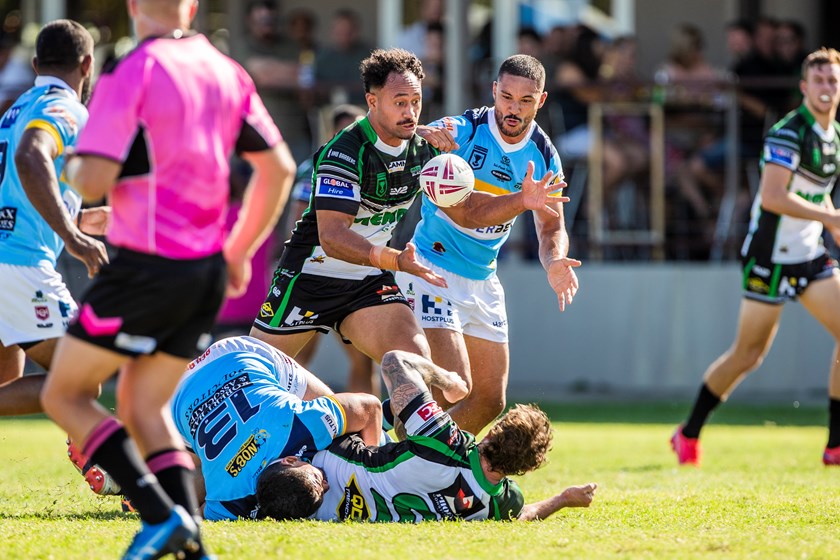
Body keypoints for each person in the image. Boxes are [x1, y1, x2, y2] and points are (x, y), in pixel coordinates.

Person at [39, 1, 296, 559]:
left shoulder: (132, 69)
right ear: (194, 6)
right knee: (143, 407)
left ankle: (158, 515)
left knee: (64, 393)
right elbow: (279, 168)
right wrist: (238, 250)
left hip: (145, 268)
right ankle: (191, 541)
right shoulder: (226, 70)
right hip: (202, 272)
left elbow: (93, 177)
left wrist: (73, 165)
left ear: (133, 6)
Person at [249, 48, 566, 374]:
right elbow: (330, 236)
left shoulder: (426, 149)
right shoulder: (346, 150)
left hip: (372, 279)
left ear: (540, 101)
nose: (411, 112)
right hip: (322, 275)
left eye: (416, 102)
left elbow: (487, 213)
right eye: (401, 102)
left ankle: (377, 421)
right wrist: (395, 260)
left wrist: (552, 256)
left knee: (433, 378)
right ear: (372, 102)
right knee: (264, 372)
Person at [671, 48, 840, 468]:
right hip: (769, 257)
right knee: (748, 354)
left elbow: (817, 196)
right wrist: (831, 217)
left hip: (810, 255)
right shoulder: (787, 132)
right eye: (819, 80)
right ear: (804, 87)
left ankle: (835, 446)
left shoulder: (834, 135)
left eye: (833, 80)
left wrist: (829, 225)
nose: (827, 87)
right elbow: (773, 196)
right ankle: (687, 433)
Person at [399, 54, 580, 435]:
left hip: (483, 279)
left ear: (541, 100)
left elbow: (551, 228)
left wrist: (555, 260)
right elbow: (467, 213)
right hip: (432, 270)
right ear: (494, 90)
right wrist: (429, 133)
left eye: (525, 100)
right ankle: (402, 465)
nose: (513, 109)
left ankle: (412, 458)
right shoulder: (467, 128)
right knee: (451, 388)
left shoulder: (544, 155)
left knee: (490, 400)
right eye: (507, 97)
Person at [255, 350, 597, 522]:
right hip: (329, 506)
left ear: (493, 432)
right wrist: (564, 499)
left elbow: (394, 362)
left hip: (309, 461)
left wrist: (446, 380)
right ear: (523, 468)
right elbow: (522, 517)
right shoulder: (500, 501)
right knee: (386, 416)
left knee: (365, 406)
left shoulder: (445, 439)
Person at [0, 20, 107, 416]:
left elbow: (13, 184)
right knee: (82, 381)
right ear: (87, 65)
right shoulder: (64, 107)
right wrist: (73, 238)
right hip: (20, 264)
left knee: (7, 377)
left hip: (6, 256)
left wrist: (74, 221)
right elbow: (32, 157)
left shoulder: (15, 109)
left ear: (35, 64)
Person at [170, 335, 383, 520]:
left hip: (233, 359)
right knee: (203, 470)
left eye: (320, 482)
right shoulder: (226, 503)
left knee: (344, 421)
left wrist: (369, 463)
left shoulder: (304, 423)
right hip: (180, 394)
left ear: (290, 460)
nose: (327, 486)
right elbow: (197, 517)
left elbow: (370, 407)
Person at [289, 104, 379, 395]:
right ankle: (295, 422)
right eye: (342, 130)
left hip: (355, 273)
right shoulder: (315, 166)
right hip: (314, 271)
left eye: (355, 128)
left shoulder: (374, 165)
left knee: (363, 361)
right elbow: (298, 217)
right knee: (297, 358)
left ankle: (370, 434)